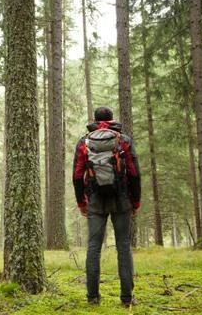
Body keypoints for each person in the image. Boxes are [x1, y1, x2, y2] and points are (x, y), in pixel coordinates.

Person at [72, 106, 141, 307]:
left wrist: (81, 202)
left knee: (93, 247)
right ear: (112, 119)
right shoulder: (123, 140)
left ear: (94, 119)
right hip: (122, 199)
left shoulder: (84, 142)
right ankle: (127, 298)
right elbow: (135, 173)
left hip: (94, 199)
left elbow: (77, 175)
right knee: (123, 246)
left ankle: (93, 297)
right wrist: (135, 201)